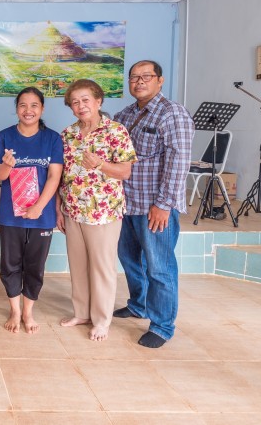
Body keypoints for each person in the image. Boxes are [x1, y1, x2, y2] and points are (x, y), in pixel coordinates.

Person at [113, 60, 194, 348]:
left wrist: (164, 204)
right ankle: (139, 305)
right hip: (126, 204)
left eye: (146, 76)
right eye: (134, 77)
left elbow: (178, 161)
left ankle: (161, 326)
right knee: (129, 259)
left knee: (159, 267)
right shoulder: (124, 115)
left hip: (154, 207)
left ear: (160, 81)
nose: (139, 81)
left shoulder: (172, 114)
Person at [56, 79, 136, 342]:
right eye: (75, 102)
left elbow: (124, 171)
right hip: (72, 208)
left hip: (103, 211)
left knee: (101, 267)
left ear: (98, 101)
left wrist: (101, 164)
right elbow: (61, 175)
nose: (81, 106)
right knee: (78, 265)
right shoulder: (68, 134)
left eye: (85, 100)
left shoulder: (115, 131)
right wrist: (59, 207)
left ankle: (102, 319)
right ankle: (81, 312)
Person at [0, 87, 63, 334]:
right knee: (10, 264)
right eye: (23, 105)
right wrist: (7, 166)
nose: (28, 110)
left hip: (42, 216)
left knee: (35, 265)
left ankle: (28, 311)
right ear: (16, 109)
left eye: (34, 105)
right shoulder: (5, 137)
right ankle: (14, 309)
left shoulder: (52, 138)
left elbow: (55, 176)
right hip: (11, 215)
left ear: (42, 109)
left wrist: (39, 207)